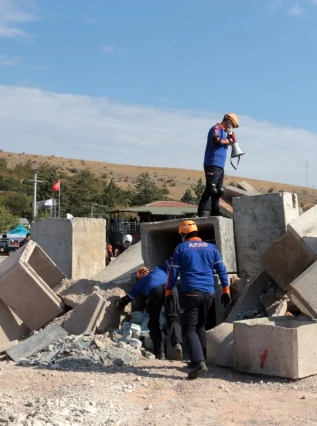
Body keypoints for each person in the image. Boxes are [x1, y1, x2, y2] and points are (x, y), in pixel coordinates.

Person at [166, 219, 231, 379]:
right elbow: (222, 270)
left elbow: (173, 272)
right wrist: (225, 290)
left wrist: (168, 292)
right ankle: (198, 360)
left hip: (190, 293)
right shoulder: (211, 247)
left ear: (183, 234)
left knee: (189, 328)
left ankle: (200, 363)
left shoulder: (181, 248)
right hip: (209, 293)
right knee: (201, 326)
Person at [116, 261, 171, 359]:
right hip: (170, 289)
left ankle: (160, 352)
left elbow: (128, 298)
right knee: (173, 318)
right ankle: (177, 346)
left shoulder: (142, 282)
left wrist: (119, 304)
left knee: (153, 323)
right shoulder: (158, 270)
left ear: (139, 276)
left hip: (156, 293)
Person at [197, 113, 240, 217]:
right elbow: (215, 140)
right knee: (211, 188)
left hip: (220, 165)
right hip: (212, 162)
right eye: (232, 125)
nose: (232, 127)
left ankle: (215, 211)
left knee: (218, 191)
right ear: (229, 121)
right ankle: (203, 210)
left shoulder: (225, 133)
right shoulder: (216, 128)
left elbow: (229, 141)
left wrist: (231, 137)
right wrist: (227, 141)